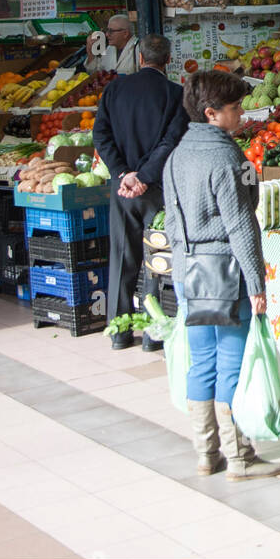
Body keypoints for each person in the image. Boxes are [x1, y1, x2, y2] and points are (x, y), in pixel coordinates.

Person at [165, 70, 280, 481]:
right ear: (211, 114)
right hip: (224, 272)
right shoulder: (226, 157)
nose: (242, 113)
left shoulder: (176, 154)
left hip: (187, 272)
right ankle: (240, 458)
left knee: (201, 363)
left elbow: (171, 221)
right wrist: (256, 284)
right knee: (231, 362)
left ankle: (206, 453)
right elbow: (241, 224)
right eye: (235, 108)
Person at [93, 33, 187, 352]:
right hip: (157, 189)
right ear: (168, 61)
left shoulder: (114, 90)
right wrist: (144, 177)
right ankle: (151, 334)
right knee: (155, 260)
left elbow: (101, 136)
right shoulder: (176, 94)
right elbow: (171, 141)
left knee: (122, 257)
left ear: (139, 58)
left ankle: (119, 333)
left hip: (122, 190)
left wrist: (122, 173)